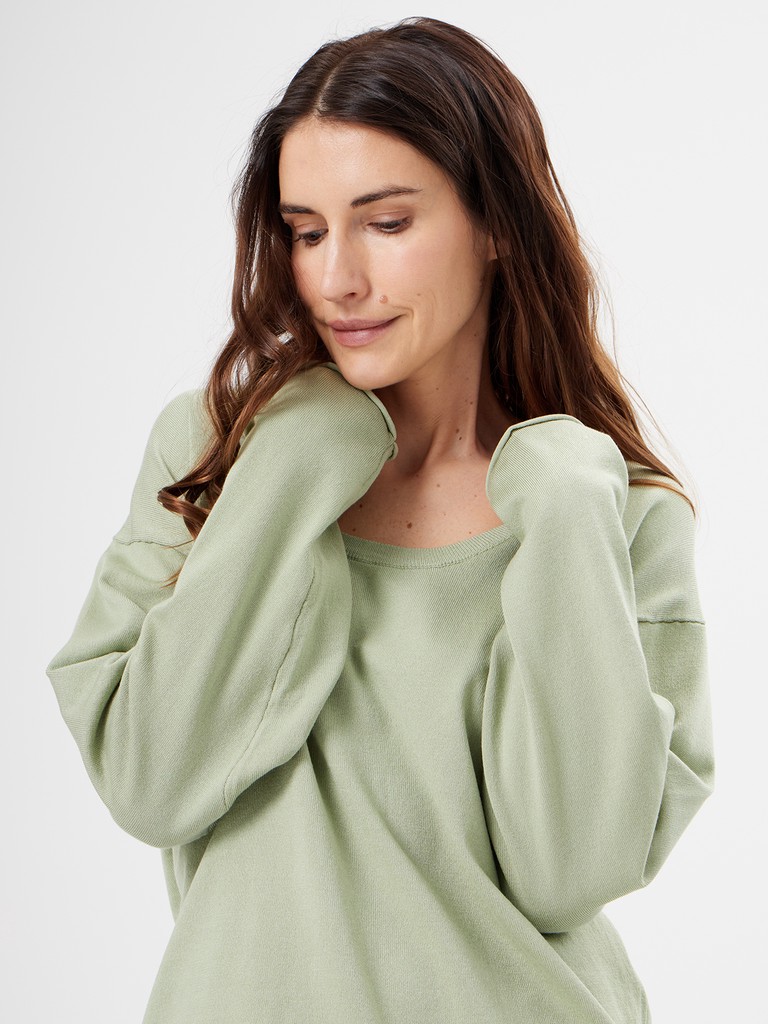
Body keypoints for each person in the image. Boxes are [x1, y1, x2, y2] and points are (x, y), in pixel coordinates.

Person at [45, 15, 715, 1024]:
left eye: (387, 223)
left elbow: (571, 869)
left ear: (494, 222)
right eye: (307, 231)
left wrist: (568, 510)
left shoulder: (613, 513)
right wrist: (296, 462)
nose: (336, 279)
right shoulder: (215, 456)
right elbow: (151, 781)